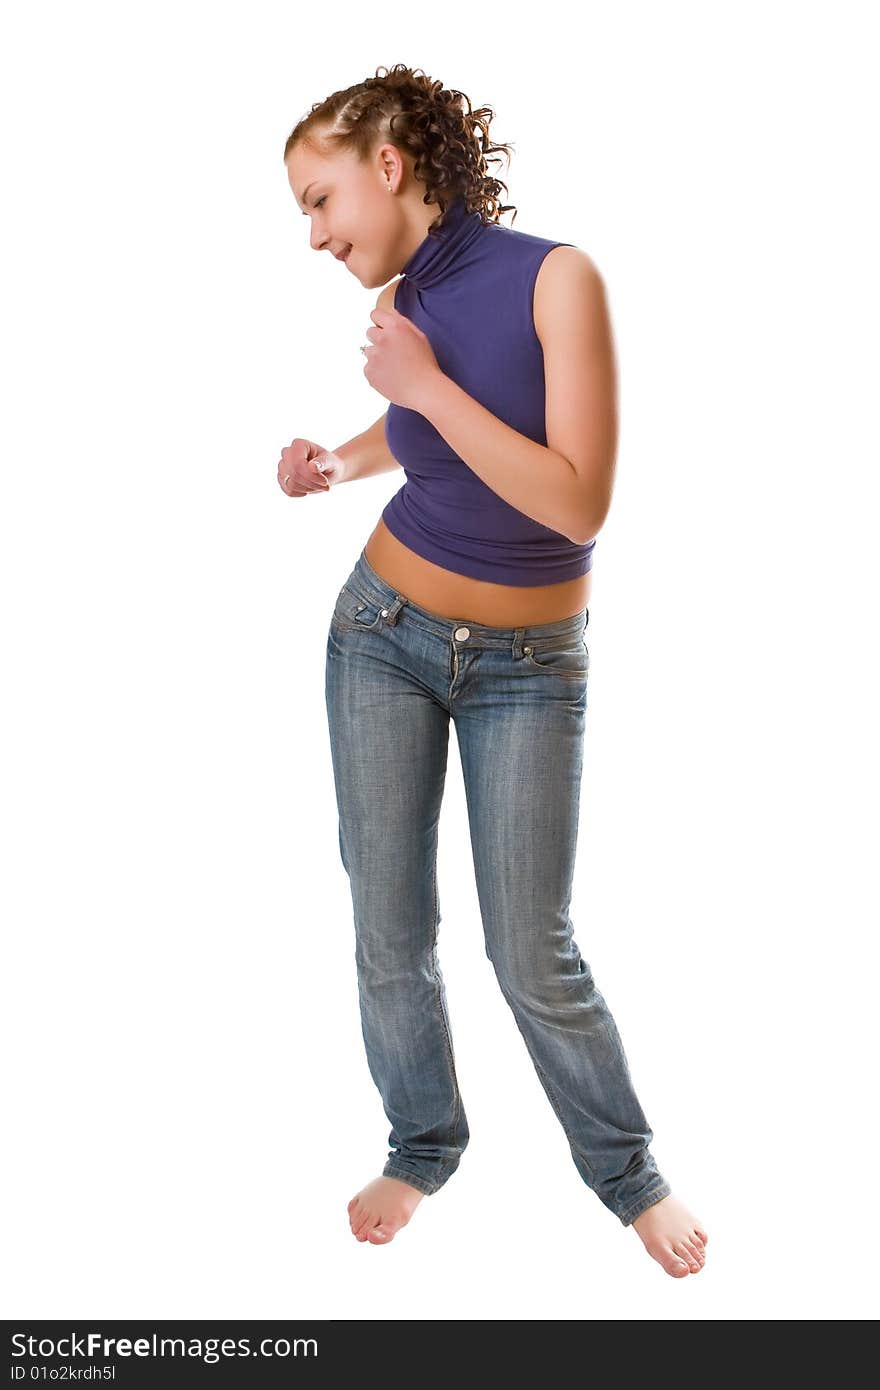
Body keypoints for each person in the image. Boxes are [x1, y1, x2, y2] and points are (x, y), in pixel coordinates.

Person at [278, 64, 708, 1278]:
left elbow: (576, 498)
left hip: (529, 661)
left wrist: (416, 385)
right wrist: (339, 458)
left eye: (320, 202)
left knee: (532, 949)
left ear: (390, 166)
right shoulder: (412, 296)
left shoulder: (555, 278)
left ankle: (628, 1176)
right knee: (389, 925)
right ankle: (422, 1144)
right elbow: (429, 437)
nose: (314, 235)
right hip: (382, 632)